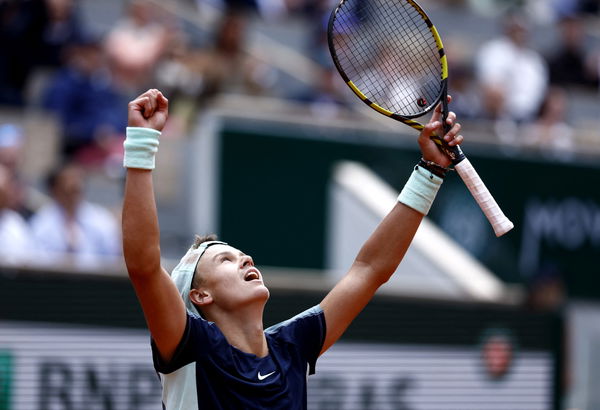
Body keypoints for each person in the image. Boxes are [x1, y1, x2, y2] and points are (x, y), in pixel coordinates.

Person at [121, 89, 463, 409]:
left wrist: (431, 171)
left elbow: (370, 269)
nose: (245, 259)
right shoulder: (190, 344)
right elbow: (144, 267)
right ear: (200, 296)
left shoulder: (291, 346)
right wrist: (142, 143)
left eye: (241, 254)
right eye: (225, 259)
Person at [30, 162, 121, 268]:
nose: (75, 185)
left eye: (78, 180)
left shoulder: (101, 219)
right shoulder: (40, 223)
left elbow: (112, 259)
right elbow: (37, 262)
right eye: (68, 182)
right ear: (54, 189)